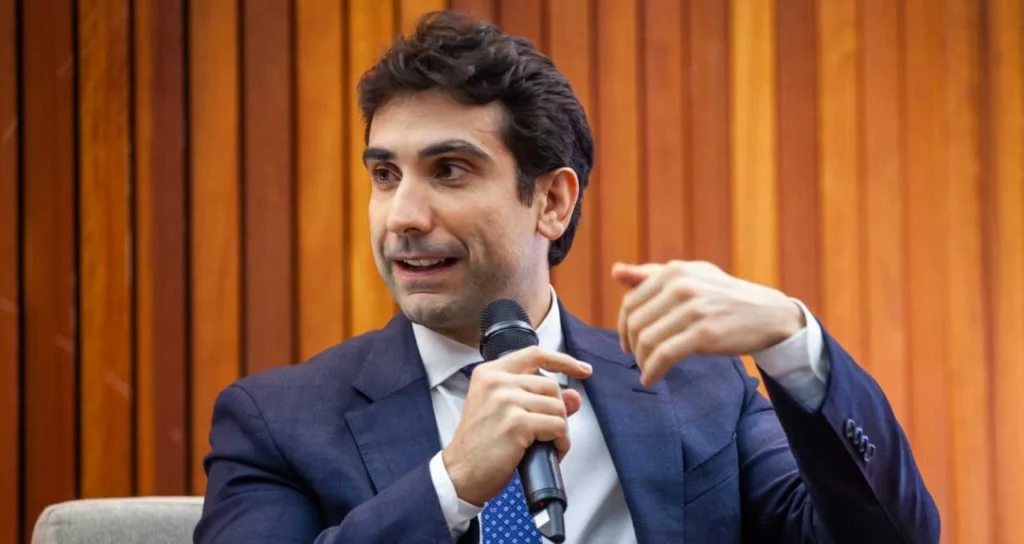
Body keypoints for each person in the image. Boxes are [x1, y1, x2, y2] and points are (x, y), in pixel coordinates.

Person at [193, 10, 939, 544]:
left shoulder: (701, 393)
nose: (403, 217)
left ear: (551, 201)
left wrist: (792, 342)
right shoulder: (277, 422)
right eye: (385, 175)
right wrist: (451, 484)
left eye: (449, 170)